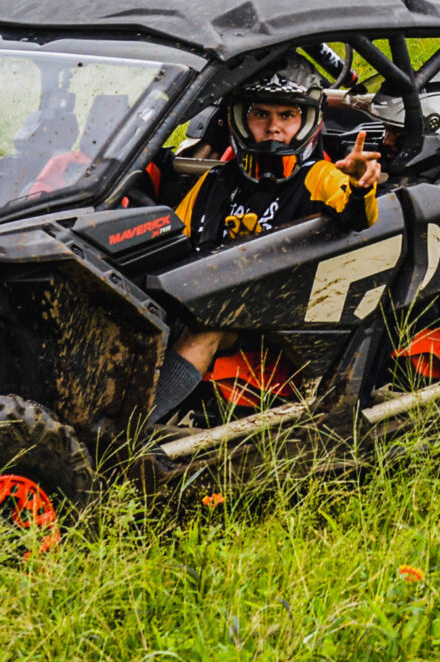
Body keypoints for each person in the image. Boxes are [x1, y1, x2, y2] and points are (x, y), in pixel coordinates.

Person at [155, 66, 387, 422]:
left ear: (307, 122)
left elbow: (358, 216)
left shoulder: (320, 175)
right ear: (240, 119)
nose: (273, 127)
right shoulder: (216, 179)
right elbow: (170, 240)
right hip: (209, 295)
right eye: (260, 114)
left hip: (285, 310)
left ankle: (136, 430)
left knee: (205, 327)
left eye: (287, 115)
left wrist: (359, 186)